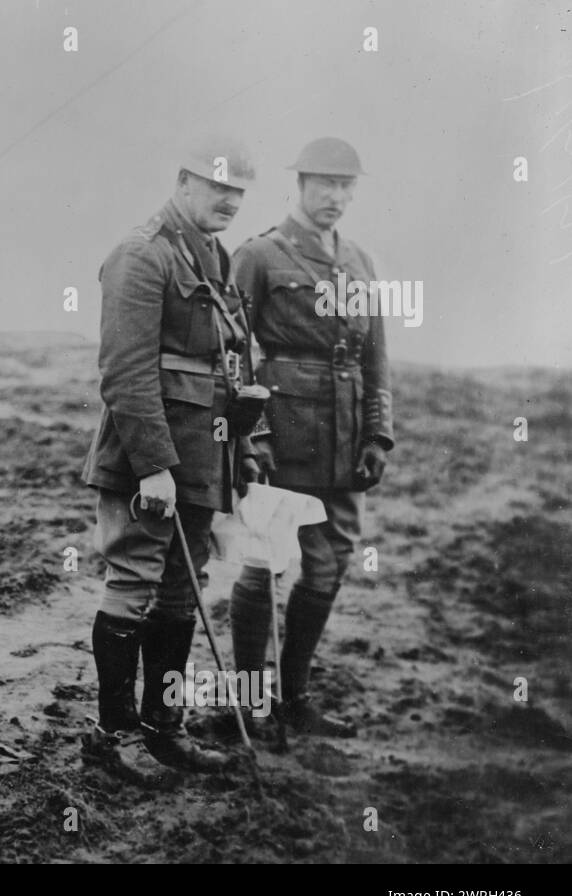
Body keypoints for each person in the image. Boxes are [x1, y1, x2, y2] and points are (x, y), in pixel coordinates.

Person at [81, 137, 261, 772]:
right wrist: (154, 464)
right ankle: (113, 735)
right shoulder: (142, 252)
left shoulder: (216, 257)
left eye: (239, 190)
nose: (230, 200)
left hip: (203, 457)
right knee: (133, 584)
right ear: (185, 182)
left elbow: (228, 367)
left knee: (182, 595)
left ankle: (164, 728)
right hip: (146, 461)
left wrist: (240, 451)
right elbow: (125, 371)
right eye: (219, 187)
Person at [229, 138, 393, 737]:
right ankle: (247, 704)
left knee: (328, 567)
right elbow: (232, 352)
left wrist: (378, 433)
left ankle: (294, 697)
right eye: (324, 184)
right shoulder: (261, 256)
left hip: (345, 440)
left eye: (346, 186)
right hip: (285, 438)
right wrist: (256, 433)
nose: (336, 197)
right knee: (264, 563)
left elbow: (376, 355)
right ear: (299, 185)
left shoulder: (359, 261)